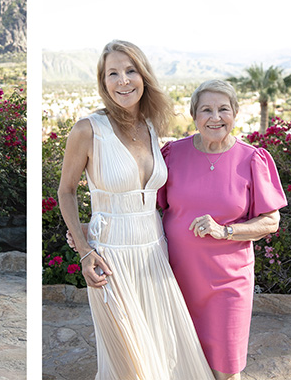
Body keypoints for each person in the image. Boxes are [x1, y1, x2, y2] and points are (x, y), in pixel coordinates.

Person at [58, 40, 213, 378]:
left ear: (144, 77)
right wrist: (84, 250)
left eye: (131, 71)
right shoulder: (88, 129)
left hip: (154, 252)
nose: (123, 80)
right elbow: (66, 191)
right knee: (128, 362)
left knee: (162, 348)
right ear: (103, 82)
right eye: (113, 73)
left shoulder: (151, 127)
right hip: (109, 257)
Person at [159, 79, 286, 380]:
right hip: (175, 279)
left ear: (235, 113)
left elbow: (271, 221)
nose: (215, 117)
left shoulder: (252, 159)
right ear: (194, 115)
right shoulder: (172, 155)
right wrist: (96, 228)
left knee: (225, 369)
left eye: (223, 109)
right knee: (180, 363)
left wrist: (225, 231)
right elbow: (147, 207)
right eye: (206, 110)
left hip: (228, 282)